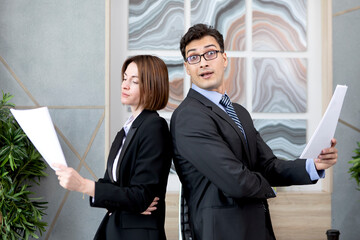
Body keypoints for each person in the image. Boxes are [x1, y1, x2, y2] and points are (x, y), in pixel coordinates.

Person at [170, 23, 338, 240]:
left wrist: (313, 165)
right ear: (187, 67)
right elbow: (234, 180)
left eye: (210, 53)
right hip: (221, 232)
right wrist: (270, 188)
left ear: (224, 58)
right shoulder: (189, 116)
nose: (203, 63)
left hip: (256, 229)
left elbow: (268, 165)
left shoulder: (238, 112)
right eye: (194, 57)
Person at [54, 55, 172, 240]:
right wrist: (122, 201)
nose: (124, 85)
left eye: (134, 81)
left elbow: (141, 197)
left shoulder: (154, 126)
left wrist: (84, 185)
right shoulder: (126, 131)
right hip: (117, 230)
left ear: (152, 87)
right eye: (125, 78)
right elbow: (115, 187)